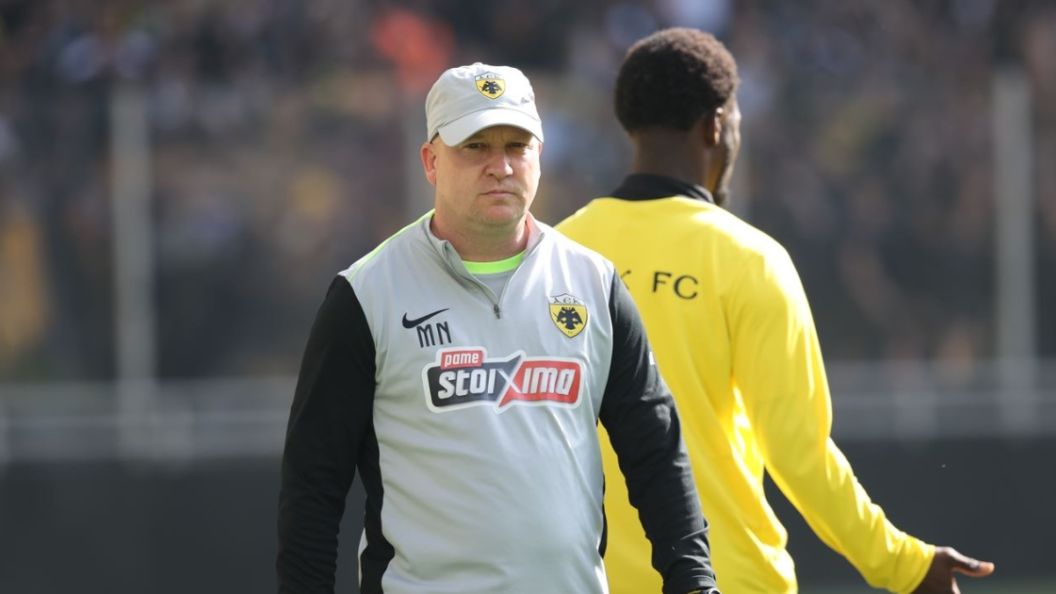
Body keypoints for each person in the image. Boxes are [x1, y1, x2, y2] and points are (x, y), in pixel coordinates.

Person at [556, 28, 996, 594]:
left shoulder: (559, 254)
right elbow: (799, 454)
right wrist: (906, 563)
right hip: (729, 578)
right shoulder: (750, 260)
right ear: (717, 125)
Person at [277, 62, 720, 594]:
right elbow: (313, 483)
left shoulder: (594, 283)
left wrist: (694, 580)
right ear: (431, 161)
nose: (501, 166)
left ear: (540, 154)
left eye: (517, 145)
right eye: (476, 146)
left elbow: (656, 450)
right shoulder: (366, 293)